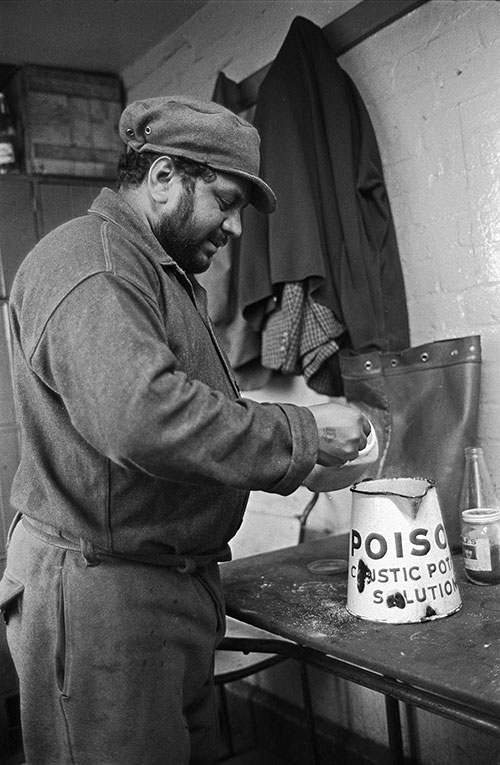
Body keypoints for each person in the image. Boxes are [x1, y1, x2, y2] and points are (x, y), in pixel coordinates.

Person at [0, 96, 374, 765]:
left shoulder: (155, 270)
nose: (232, 228)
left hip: (164, 587)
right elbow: (141, 417)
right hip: (103, 599)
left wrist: (284, 436)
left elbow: (181, 401)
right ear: (164, 176)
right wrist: (301, 432)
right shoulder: (96, 263)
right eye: (225, 201)